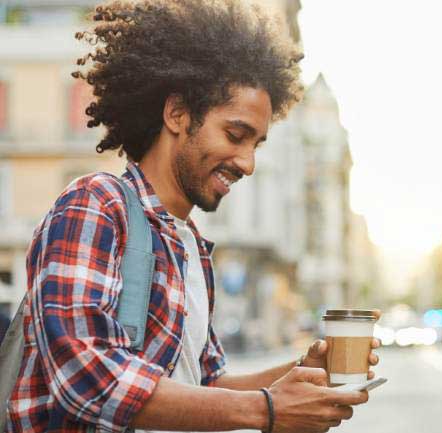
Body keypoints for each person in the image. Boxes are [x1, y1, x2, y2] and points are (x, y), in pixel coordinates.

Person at [5, 1, 379, 432]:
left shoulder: (191, 245)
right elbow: (85, 375)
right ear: (177, 114)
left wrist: (305, 371)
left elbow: (205, 383)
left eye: (256, 145)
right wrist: (267, 410)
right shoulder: (96, 204)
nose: (247, 163)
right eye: (235, 136)